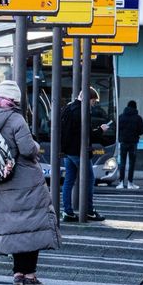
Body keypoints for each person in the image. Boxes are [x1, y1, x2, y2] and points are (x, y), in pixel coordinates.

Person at [0, 81, 61, 285]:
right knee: (32, 226)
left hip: (0, 181)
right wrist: (37, 145)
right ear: (15, 100)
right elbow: (28, 149)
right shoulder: (15, 118)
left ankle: (18, 272)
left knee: (14, 228)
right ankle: (29, 275)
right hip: (24, 180)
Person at [59, 87, 108, 222]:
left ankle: (68, 211)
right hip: (78, 151)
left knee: (69, 181)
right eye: (93, 101)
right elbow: (86, 134)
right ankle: (89, 211)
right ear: (88, 99)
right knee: (89, 179)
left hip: (68, 151)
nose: (94, 104)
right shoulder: (82, 111)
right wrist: (100, 130)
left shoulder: (68, 108)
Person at [116, 100, 143, 190]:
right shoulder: (138, 118)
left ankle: (121, 182)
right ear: (135, 107)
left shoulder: (121, 117)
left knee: (122, 163)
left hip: (123, 142)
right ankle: (130, 183)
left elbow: (117, 129)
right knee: (132, 163)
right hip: (133, 143)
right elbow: (141, 131)